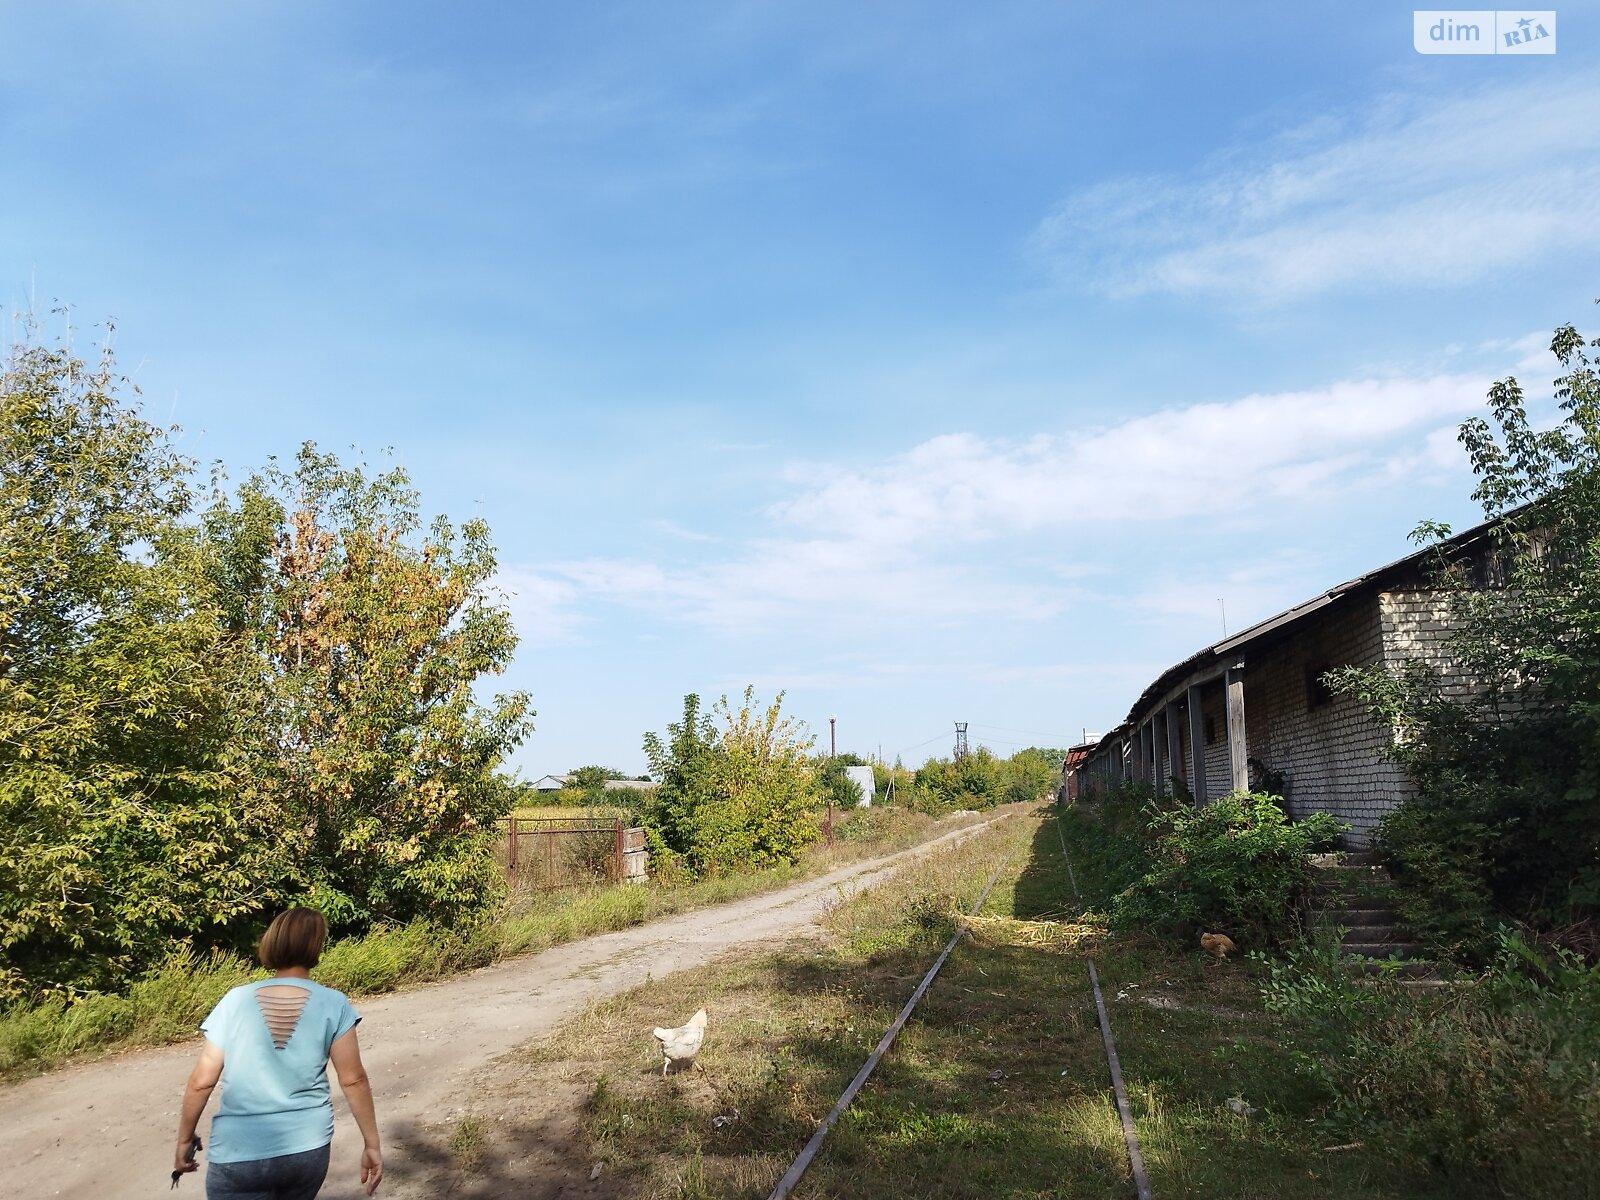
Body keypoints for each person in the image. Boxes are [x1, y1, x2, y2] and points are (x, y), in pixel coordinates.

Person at [173, 908, 383, 1198]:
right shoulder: (334, 1003)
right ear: (316, 946)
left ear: (273, 941)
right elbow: (353, 1080)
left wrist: (184, 1139)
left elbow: (202, 1082)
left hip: (238, 1151)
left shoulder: (236, 1001)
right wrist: (371, 1144)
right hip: (306, 1149)